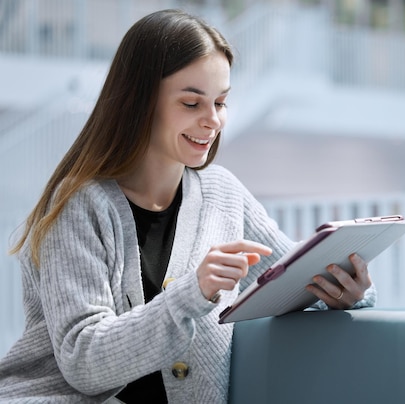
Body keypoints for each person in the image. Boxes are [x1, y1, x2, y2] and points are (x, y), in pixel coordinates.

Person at [0, 9, 375, 403]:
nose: (213, 120)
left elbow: (293, 277)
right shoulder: (79, 206)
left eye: (221, 102)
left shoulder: (223, 193)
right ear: (140, 102)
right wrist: (193, 291)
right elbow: (85, 362)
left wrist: (346, 288)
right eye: (192, 103)